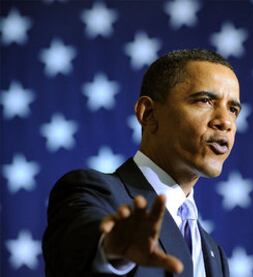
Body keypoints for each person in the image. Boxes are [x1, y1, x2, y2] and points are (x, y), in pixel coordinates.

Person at [42, 49, 241, 277]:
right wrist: (110, 252)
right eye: (205, 100)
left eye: (233, 109)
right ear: (148, 114)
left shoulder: (214, 253)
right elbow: (77, 250)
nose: (225, 121)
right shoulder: (95, 192)